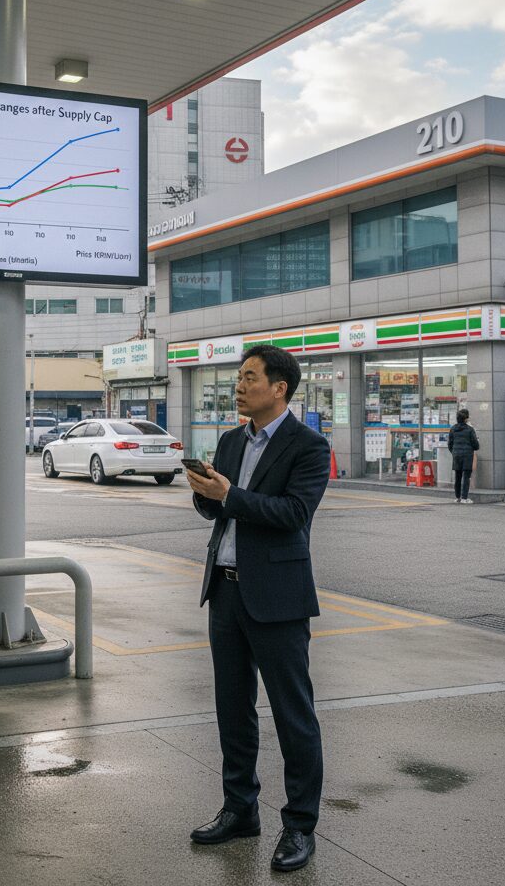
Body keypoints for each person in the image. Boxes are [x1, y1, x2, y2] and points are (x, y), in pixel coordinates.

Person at [185, 344, 331, 874]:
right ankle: (240, 808)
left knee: (294, 716)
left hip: (278, 598)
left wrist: (229, 496)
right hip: (224, 591)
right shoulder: (228, 441)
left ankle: (299, 825)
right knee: (233, 708)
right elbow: (219, 510)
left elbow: (293, 514)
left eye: (249, 377)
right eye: (238, 377)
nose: (239, 386)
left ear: (279, 388)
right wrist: (205, 493)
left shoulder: (309, 446)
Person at [447, 408, 479, 503]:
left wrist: (454, 452)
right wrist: (474, 447)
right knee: (466, 477)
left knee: (458, 476)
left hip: (456, 455)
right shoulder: (470, 430)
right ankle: (464, 498)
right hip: (467, 455)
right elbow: (475, 444)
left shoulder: (453, 429)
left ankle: (457, 497)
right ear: (466, 419)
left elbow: (450, 444)